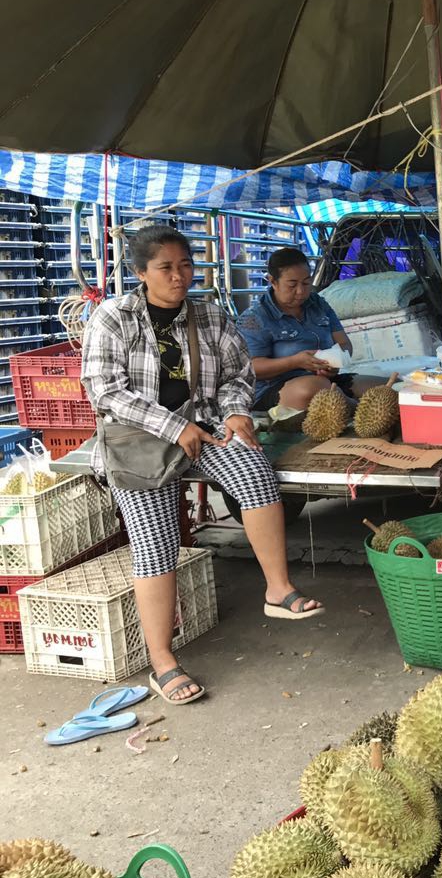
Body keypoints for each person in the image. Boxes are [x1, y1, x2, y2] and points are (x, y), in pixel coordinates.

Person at [81, 226, 325, 705]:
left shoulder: (210, 314)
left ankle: (277, 590)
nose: (179, 276)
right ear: (140, 273)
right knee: (156, 546)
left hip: (204, 425)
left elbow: (237, 373)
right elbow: (104, 389)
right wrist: (173, 428)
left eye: (186, 265)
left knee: (254, 470)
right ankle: (162, 661)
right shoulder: (114, 316)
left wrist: (235, 411)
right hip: (140, 440)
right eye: (166, 268)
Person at [236, 247, 380, 412]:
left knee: (387, 387)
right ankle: (360, 412)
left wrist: (334, 364)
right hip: (275, 390)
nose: (301, 291)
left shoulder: (318, 304)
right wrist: (294, 361)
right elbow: (250, 369)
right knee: (315, 390)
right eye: (292, 285)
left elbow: (344, 343)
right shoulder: (254, 318)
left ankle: (359, 408)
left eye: (306, 283)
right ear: (272, 281)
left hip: (324, 381)